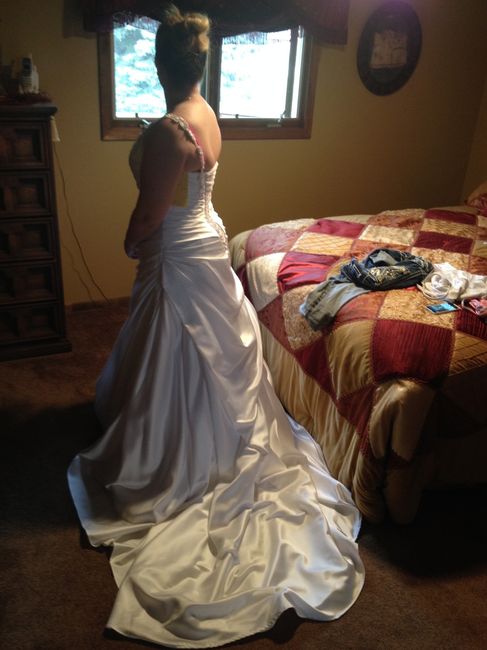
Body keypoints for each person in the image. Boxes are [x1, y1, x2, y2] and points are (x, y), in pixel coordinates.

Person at [67, 5, 364, 648]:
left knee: (174, 346)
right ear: (199, 66)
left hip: (179, 249)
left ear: (159, 64)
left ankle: (172, 451)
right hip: (203, 236)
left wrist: (129, 242)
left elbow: (149, 214)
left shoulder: (170, 131)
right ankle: (194, 433)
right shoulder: (205, 114)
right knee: (200, 350)